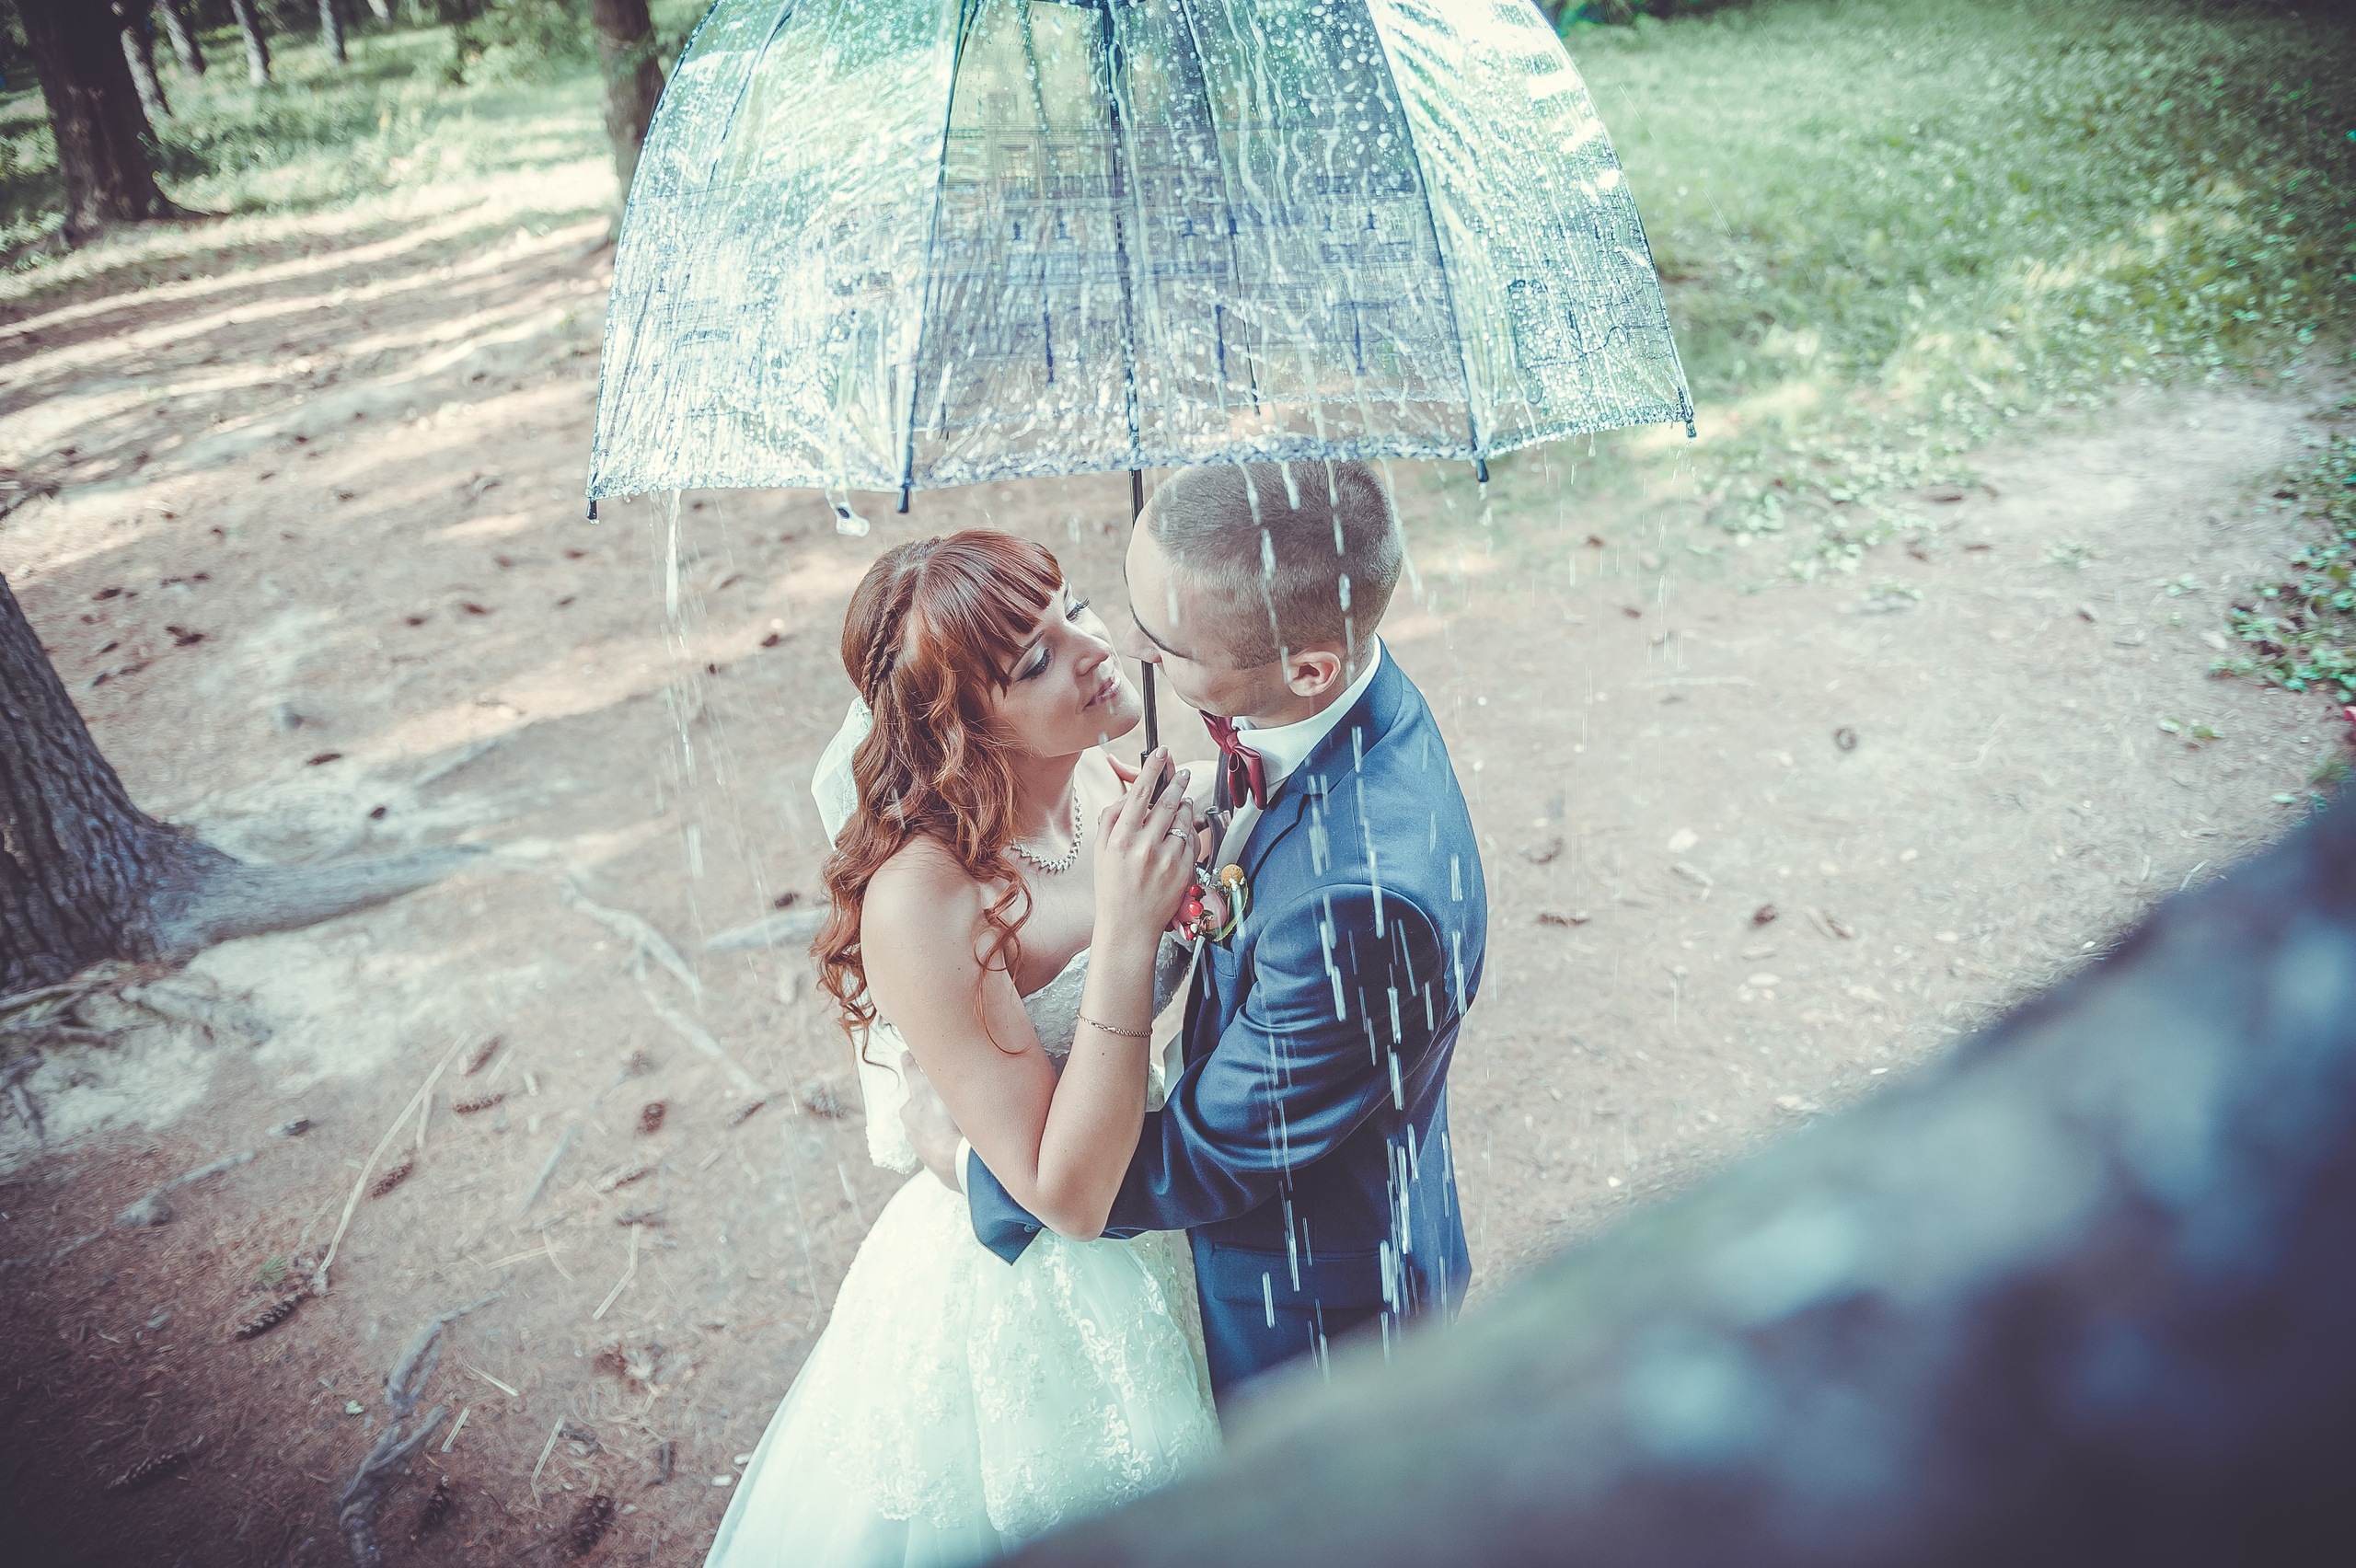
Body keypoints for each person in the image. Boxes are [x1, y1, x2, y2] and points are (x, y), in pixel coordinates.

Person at [908, 459, 1490, 1402]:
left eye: (1167, 643)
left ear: (1308, 667)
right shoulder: (1331, 690)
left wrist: (981, 1167)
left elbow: (1209, 1157)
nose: (1121, 648)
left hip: (1310, 1318)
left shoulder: (1359, 905)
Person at [703, 532, 1221, 1568]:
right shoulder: (927, 900)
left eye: (1072, 607)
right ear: (962, 724)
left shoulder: (1110, 783)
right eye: (1033, 661)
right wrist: (1125, 933)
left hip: (1170, 1218)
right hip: (1030, 1287)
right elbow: (1062, 1197)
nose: (1090, 649)